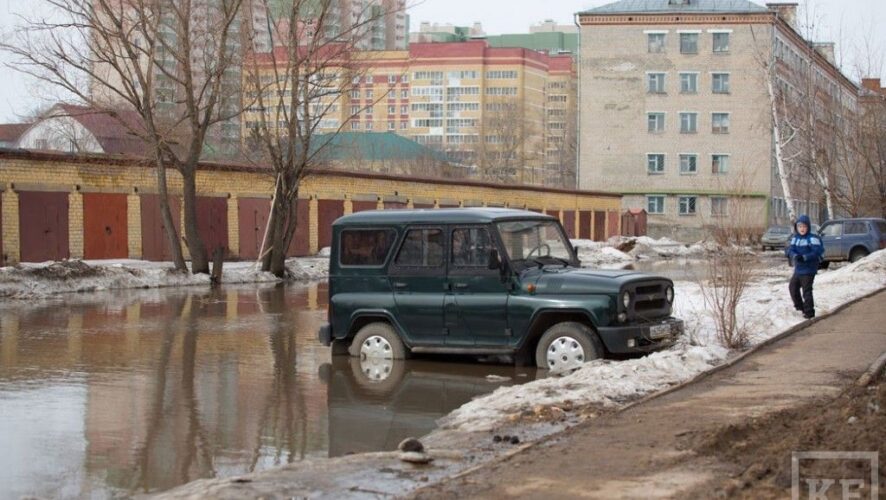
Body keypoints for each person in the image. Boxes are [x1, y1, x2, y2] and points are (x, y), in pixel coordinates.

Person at [785, 214, 824, 319]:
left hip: (809, 269)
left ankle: (809, 312)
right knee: (792, 287)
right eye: (800, 226)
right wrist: (793, 255)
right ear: (797, 227)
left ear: (808, 227)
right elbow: (790, 249)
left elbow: (817, 252)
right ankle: (800, 308)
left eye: (804, 226)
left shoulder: (812, 238)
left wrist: (804, 257)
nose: (802, 229)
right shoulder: (795, 238)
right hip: (798, 269)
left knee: (806, 291)